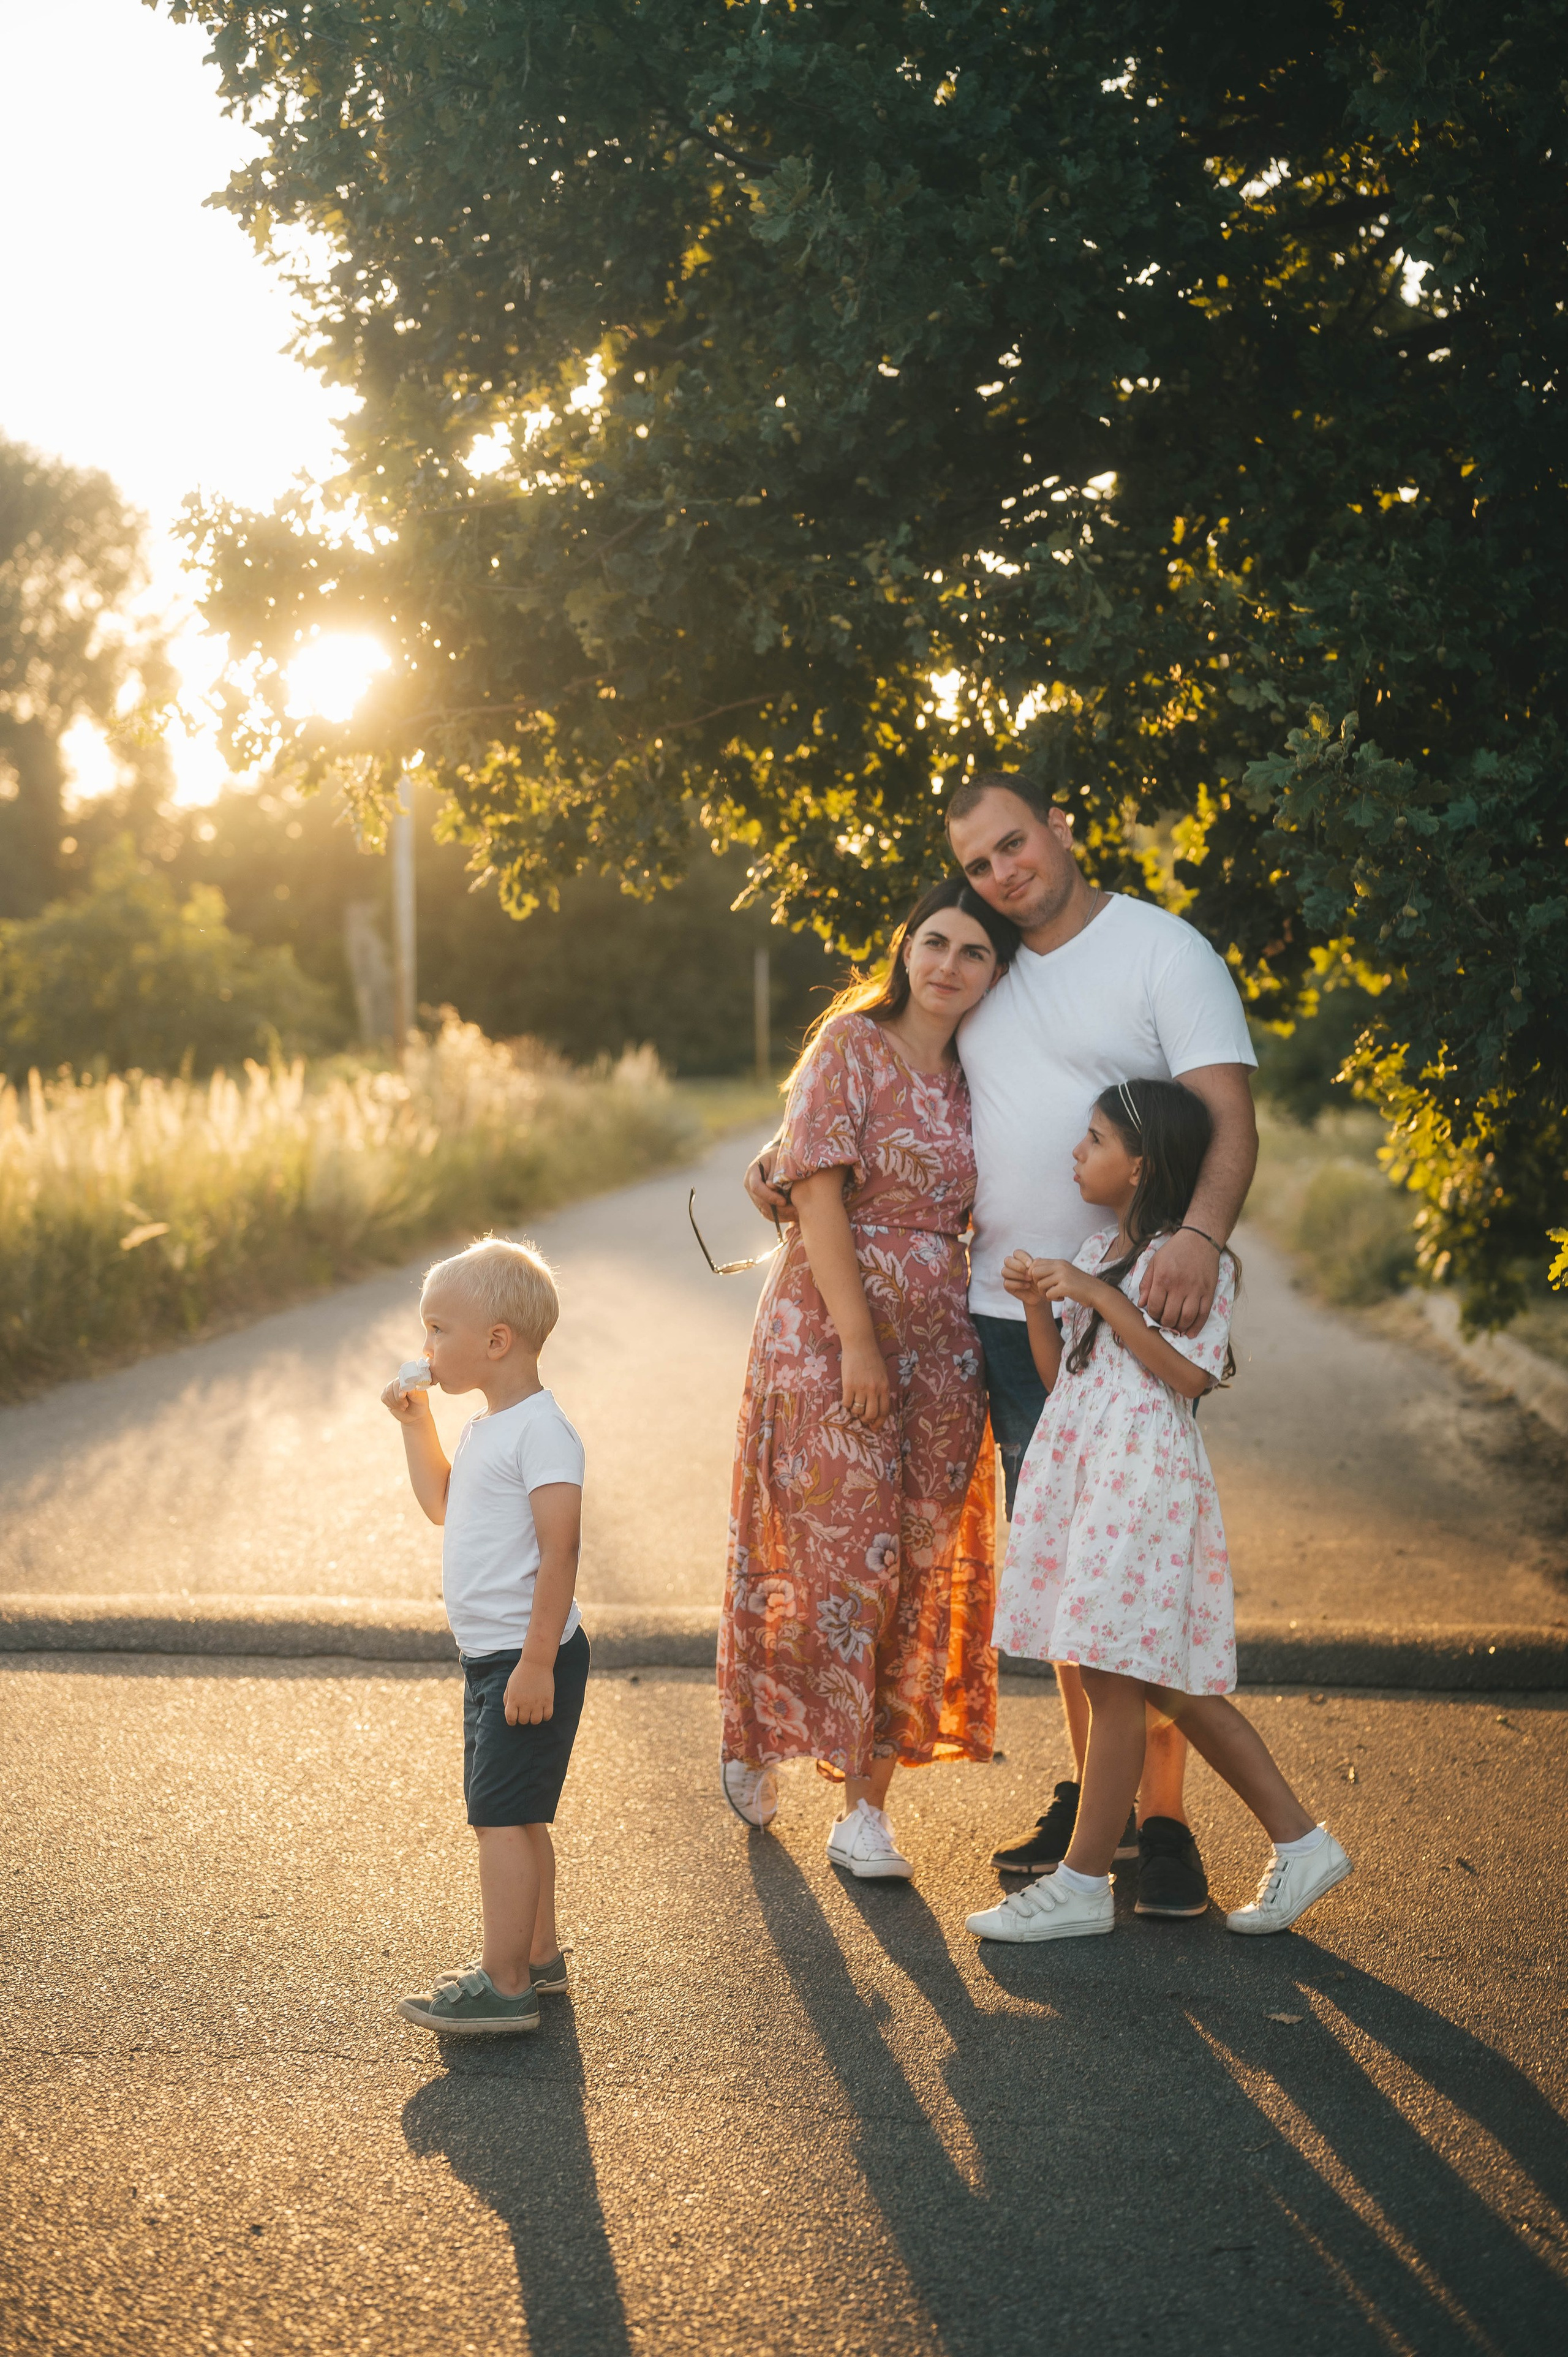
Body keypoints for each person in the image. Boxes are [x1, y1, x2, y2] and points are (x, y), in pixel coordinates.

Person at [750, 772, 1259, 1914]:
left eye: (1013, 845)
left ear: (1062, 828)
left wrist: (1197, 1238)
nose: (1003, 874)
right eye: (979, 865)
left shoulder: (1160, 951)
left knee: (1132, 1572)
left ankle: (1164, 1826)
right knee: (1075, 1586)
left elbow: (1227, 1114)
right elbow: (886, 1073)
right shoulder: (988, 963)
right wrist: (783, 1161)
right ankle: (1100, 1807)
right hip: (997, 1309)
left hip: (1126, 1307)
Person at [965, 1079, 1350, 1942]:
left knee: (1112, 1679)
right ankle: (1303, 1841)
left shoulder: (1187, 1262)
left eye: (1094, 1140)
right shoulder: (1103, 1245)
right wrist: (1039, 1303)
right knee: (1168, 1682)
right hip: (1092, 1480)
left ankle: (1081, 1884)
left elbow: (1189, 1377)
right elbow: (1069, 1373)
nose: (1077, 1153)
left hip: (1142, 1484)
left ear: (1140, 1165)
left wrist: (1102, 1297)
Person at [719, 876, 1019, 1880]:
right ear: (906, 945)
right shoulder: (850, 1045)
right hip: (825, 1330)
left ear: (993, 974)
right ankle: (763, 1728)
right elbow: (809, 1189)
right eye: (935, 942)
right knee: (828, 1557)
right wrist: (858, 1343)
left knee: (916, 1567)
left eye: (973, 953)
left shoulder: (985, 1077)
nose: (948, 965)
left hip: (943, 1344)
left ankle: (864, 1813)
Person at [384, 1237, 589, 2035]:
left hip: (525, 1658)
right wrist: (417, 1423)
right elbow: (441, 1502)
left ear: (496, 1342)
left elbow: (560, 1548)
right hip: (495, 1657)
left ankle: (504, 1984)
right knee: (519, 1811)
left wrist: (537, 1661)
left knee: (498, 1818)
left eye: (439, 1329)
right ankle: (538, 1958)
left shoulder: (543, 1432)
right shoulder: (486, 1429)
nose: (426, 1346)